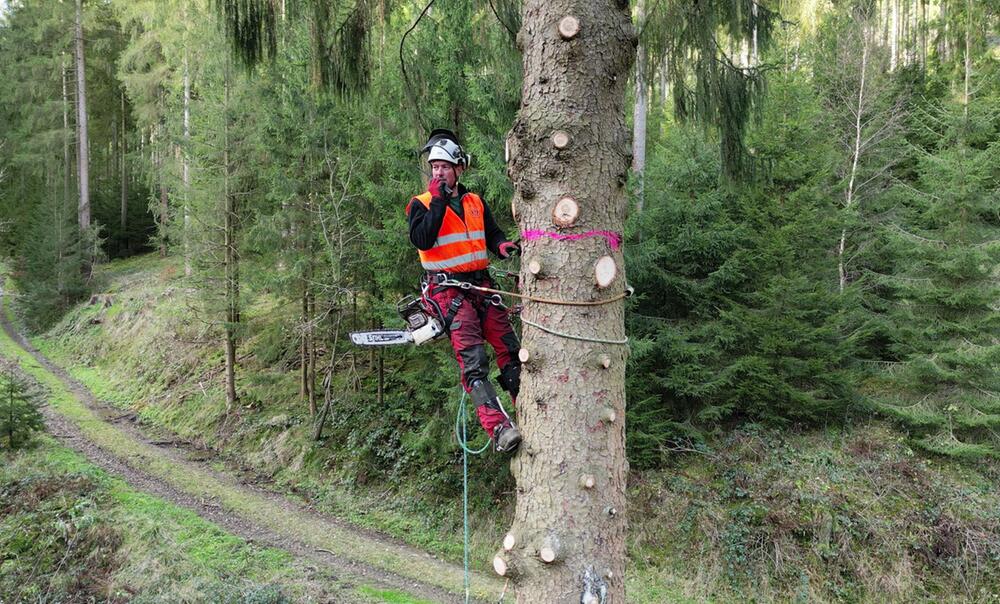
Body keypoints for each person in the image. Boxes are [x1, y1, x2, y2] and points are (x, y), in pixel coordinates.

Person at [406, 129, 522, 453]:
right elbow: (422, 240)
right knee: (474, 363)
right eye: (434, 167)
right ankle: (499, 429)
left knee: (509, 349)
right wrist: (439, 202)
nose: (438, 172)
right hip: (448, 293)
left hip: (481, 284)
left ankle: (527, 407)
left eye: (444, 166)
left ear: (459, 168)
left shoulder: (474, 202)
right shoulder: (421, 205)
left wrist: (502, 246)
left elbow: (492, 233)